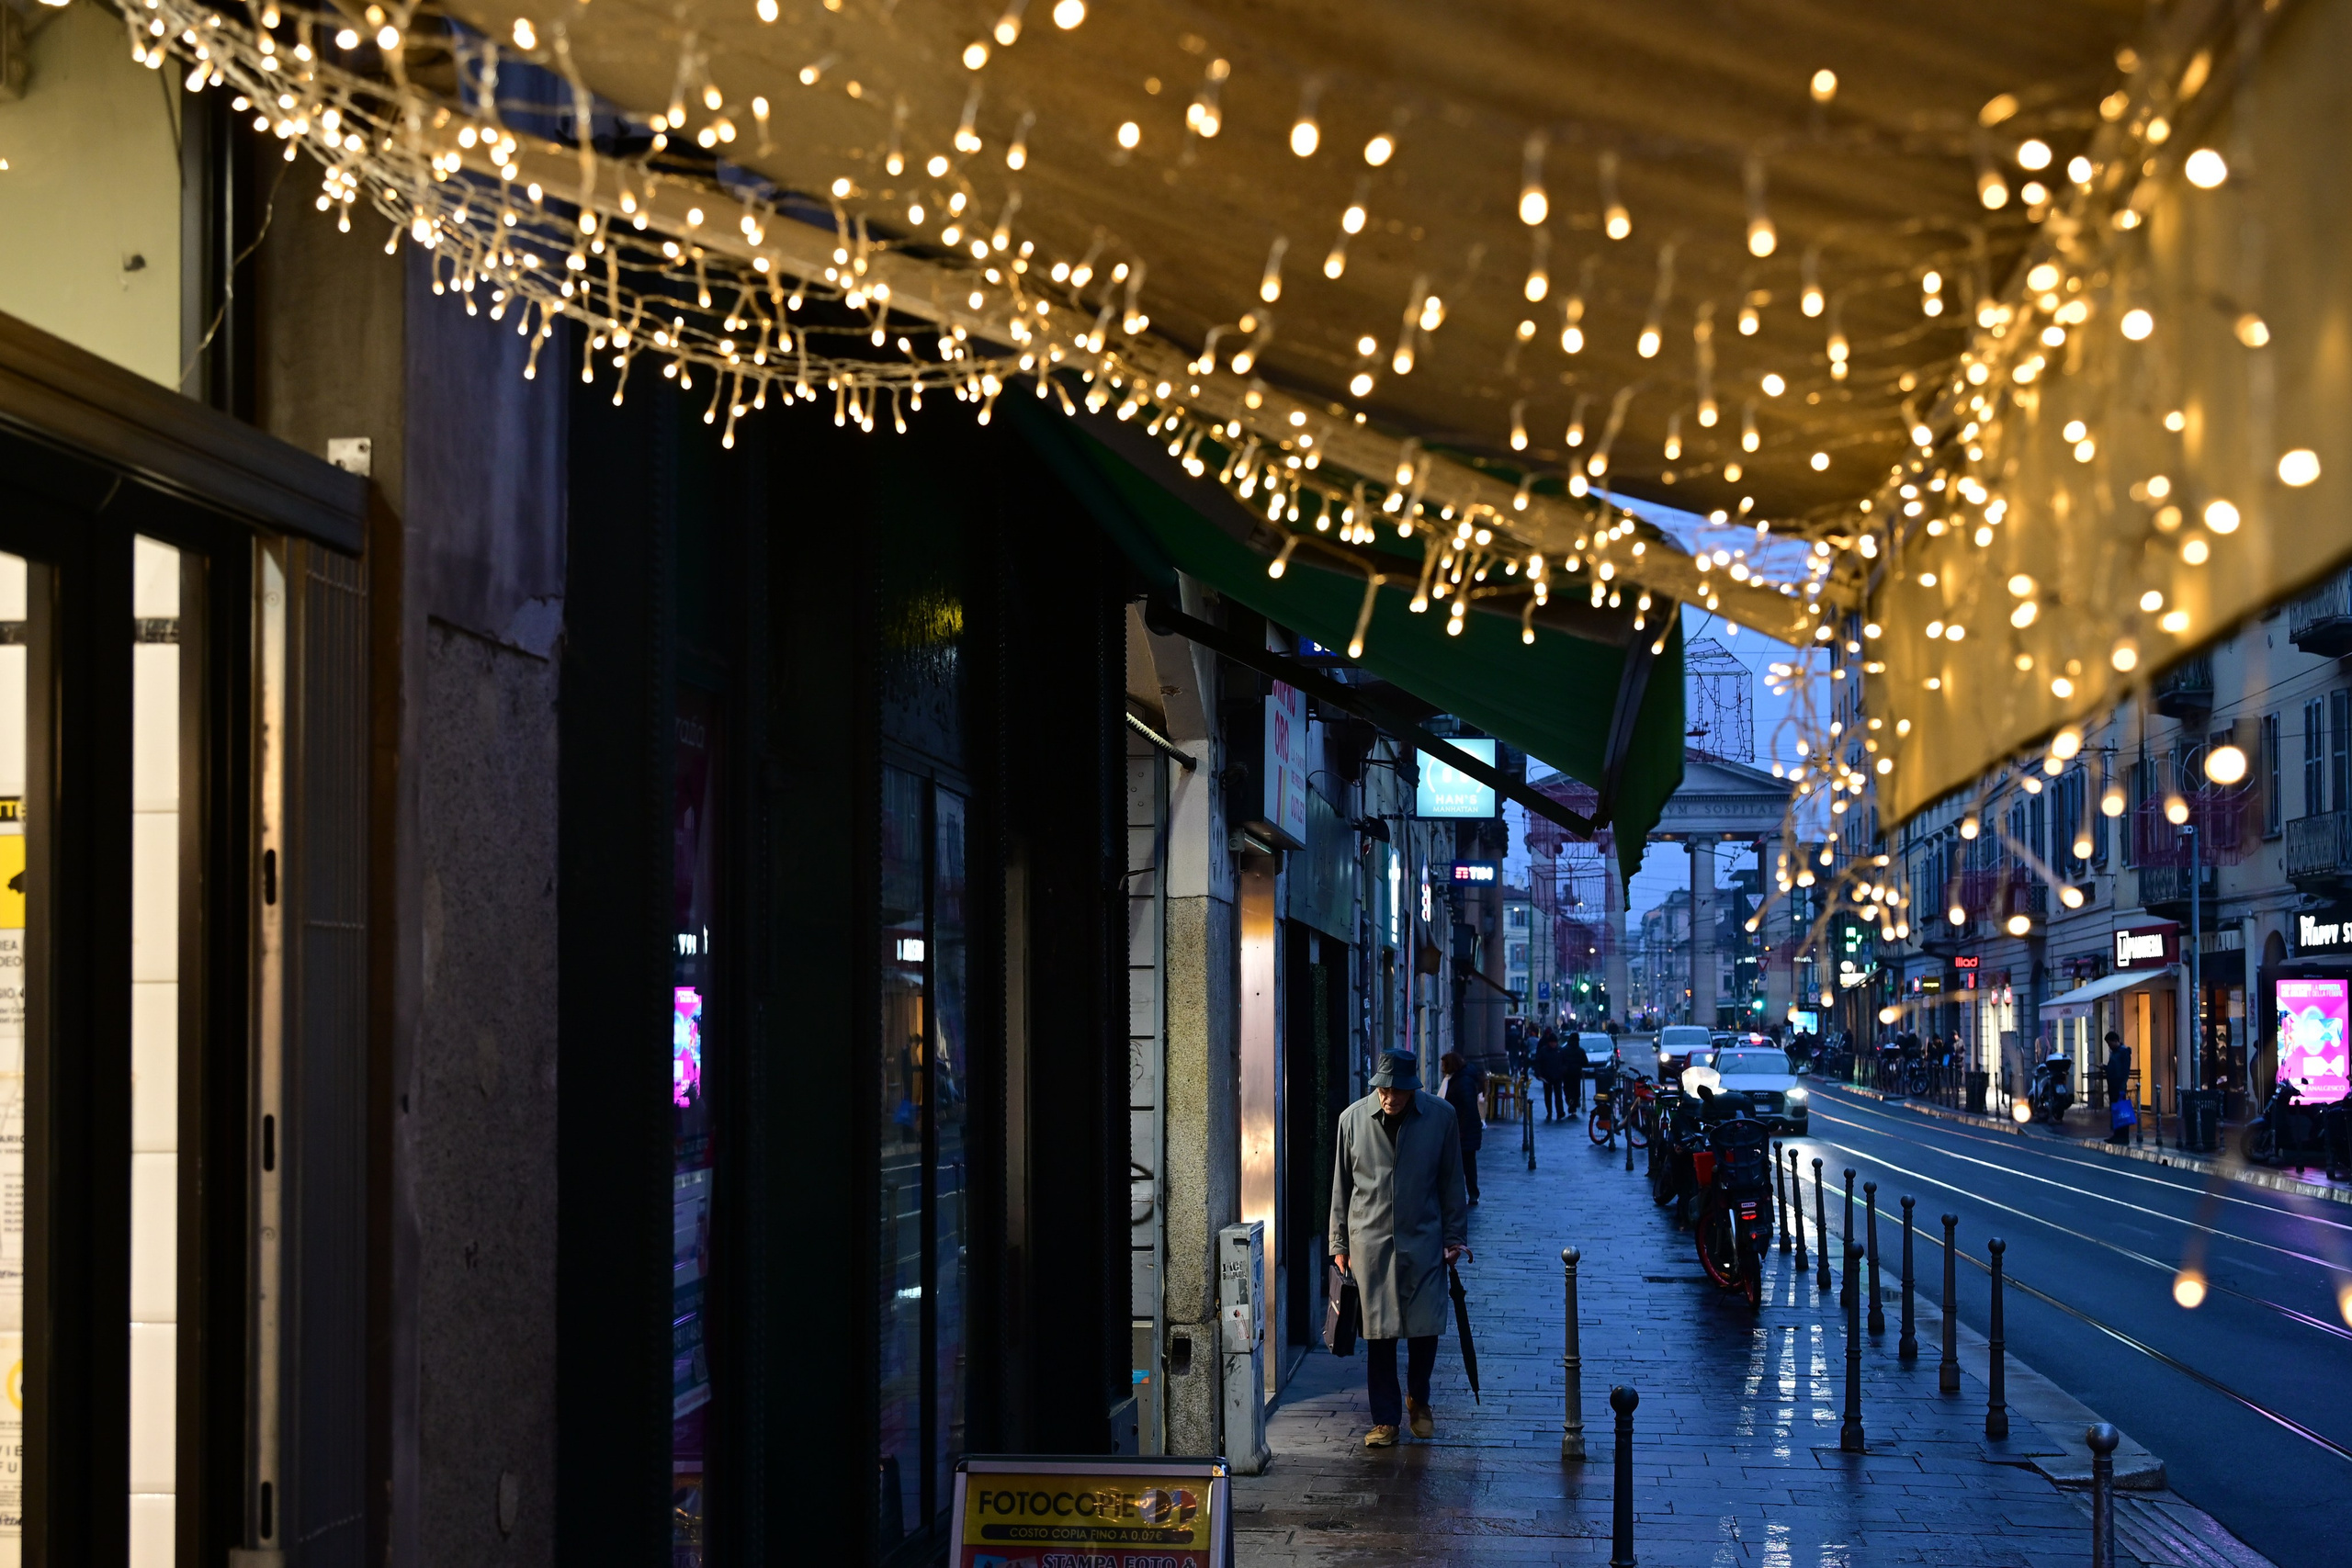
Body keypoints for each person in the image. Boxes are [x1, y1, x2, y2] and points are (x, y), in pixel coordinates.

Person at [1330, 1049, 1470, 1448]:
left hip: (1423, 1241)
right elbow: (1341, 1186)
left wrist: (1454, 1237)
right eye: (1383, 1090)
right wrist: (1339, 1242)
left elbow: (1452, 1181)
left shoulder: (1441, 1118)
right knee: (1379, 1335)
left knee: (1425, 1327)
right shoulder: (1352, 1120)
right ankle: (1385, 1420)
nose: (1389, 1098)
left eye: (1398, 1091)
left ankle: (1419, 1400)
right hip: (1370, 1244)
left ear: (1413, 1089)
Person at [2104, 1032, 2133, 1142]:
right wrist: (2105, 1068)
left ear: (2115, 1041)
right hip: (2113, 1085)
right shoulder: (2115, 1052)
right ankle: (2117, 1134)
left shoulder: (2123, 1052)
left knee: (2121, 1110)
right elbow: (2113, 1068)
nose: (2109, 1046)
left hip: (2118, 1086)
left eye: (2109, 1043)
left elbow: (2125, 1071)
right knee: (2116, 1110)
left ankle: (2123, 1136)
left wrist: (2122, 1085)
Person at [1532, 1028, 1566, 1121]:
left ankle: (1560, 1112)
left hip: (1557, 1076)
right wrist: (1539, 1074)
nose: (1553, 1044)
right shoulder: (1544, 1051)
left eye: (1555, 1042)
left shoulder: (1560, 1050)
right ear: (1549, 1043)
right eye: (1552, 1042)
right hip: (1547, 1076)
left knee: (1558, 1095)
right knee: (1548, 1096)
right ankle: (1549, 1112)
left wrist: (1562, 1070)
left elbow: (1564, 1062)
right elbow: (1538, 1063)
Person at [1562, 1030, 1589, 1114]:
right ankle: (1573, 1106)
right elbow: (1586, 1062)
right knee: (1576, 1090)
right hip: (1577, 1073)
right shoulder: (1580, 1051)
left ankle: (1569, 1100)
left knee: (1567, 1089)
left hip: (1566, 1073)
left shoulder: (1564, 1050)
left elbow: (1560, 1061)